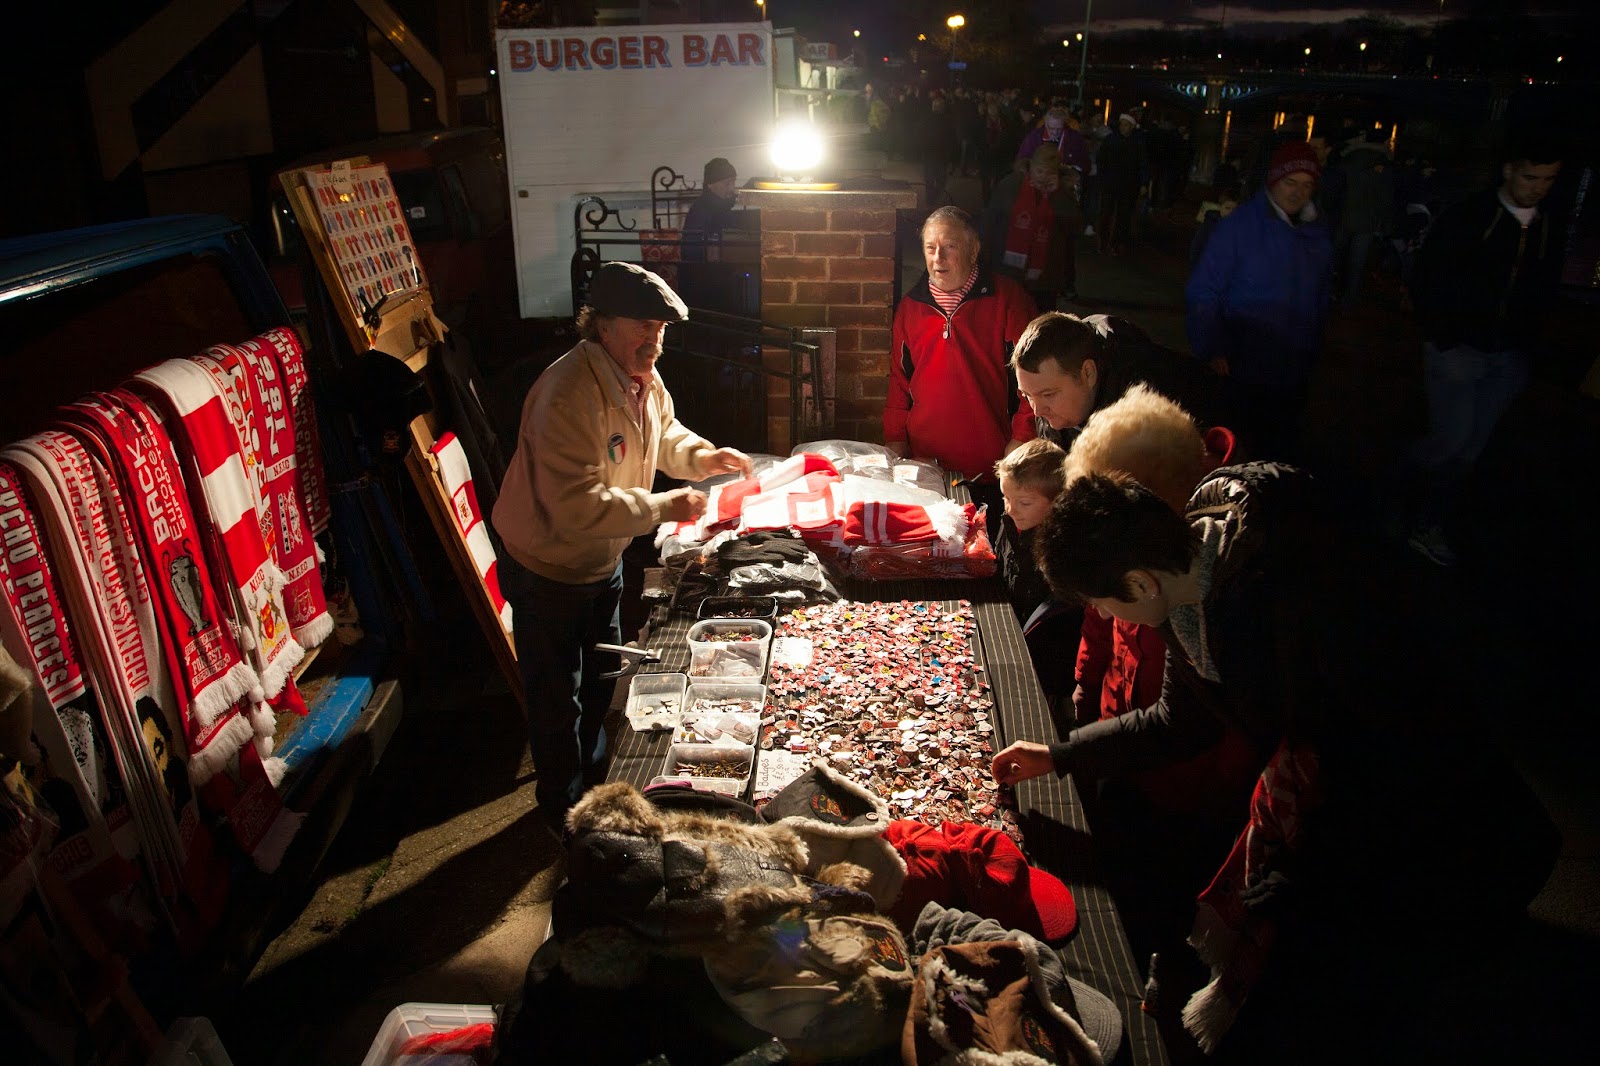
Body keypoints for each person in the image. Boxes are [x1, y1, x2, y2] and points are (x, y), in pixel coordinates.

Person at [989, 461, 1557, 1061]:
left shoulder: (1311, 603)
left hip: (1442, 822)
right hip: (1346, 795)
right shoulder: (1189, 590)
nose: (1105, 618)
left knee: (1430, 996)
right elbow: (1177, 721)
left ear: (1139, 583)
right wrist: (1059, 755)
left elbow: (1394, 754)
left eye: (1103, 602)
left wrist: (1302, 865)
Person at [492, 262, 752, 827]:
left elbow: (664, 434)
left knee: (600, 683)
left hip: (600, 562)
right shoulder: (567, 393)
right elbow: (577, 504)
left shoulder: (641, 377)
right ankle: (562, 812)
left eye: (660, 328)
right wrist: (665, 507)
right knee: (558, 700)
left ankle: (595, 794)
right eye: (642, 326)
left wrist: (704, 457)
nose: (654, 340)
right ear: (602, 325)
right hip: (548, 568)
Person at [1397, 136, 1564, 567]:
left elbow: (1546, 288)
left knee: (1471, 448)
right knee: (1451, 440)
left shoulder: (1547, 225)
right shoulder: (1470, 216)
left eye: (1548, 179)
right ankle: (1405, 495)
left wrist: (1529, 344)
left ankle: (1429, 518)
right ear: (1509, 170)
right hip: (1459, 351)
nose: (1538, 188)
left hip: (1508, 356)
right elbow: (1428, 274)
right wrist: (1443, 335)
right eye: (1531, 177)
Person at [1185, 141, 1332, 458]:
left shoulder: (1317, 234)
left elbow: (1320, 297)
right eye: (1290, 182)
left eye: (1306, 185)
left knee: (1279, 445)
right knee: (1239, 444)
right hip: (1242, 362)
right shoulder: (1240, 228)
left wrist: (1314, 346)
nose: (1297, 192)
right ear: (1274, 181)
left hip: (1293, 365)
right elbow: (1204, 290)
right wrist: (1211, 345)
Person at [884, 206, 1037, 500]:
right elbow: (899, 381)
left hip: (993, 465)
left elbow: (1035, 376)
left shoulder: (1008, 300)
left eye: (949, 247)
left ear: (973, 249)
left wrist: (1023, 436)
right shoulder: (910, 307)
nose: (937, 258)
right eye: (930, 248)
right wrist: (895, 438)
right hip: (925, 465)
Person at [1011, 311, 1241, 449]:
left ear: (1088, 373)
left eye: (1048, 394)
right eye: (1027, 395)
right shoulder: (1057, 406)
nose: (1037, 410)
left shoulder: (1152, 409)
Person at [983, 147, 1083, 309]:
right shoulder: (1011, 185)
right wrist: (984, 259)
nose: (1043, 177)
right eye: (1039, 171)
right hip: (1008, 270)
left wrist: (1058, 195)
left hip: (1046, 275)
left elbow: (1073, 228)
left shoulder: (1063, 192)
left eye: (1049, 173)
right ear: (1030, 167)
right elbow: (990, 222)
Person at [992, 437, 1066, 627]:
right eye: (1006, 498)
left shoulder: (1057, 550)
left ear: (1057, 501)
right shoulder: (1009, 521)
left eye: (1024, 503)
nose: (1011, 509)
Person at [1331, 130, 1396, 310]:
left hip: (1344, 215)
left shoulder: (1349, 157)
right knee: (1357, 264)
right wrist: (1386, 224)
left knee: (1334, 258)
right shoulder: (1384, 163)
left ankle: (1325, 293)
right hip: (1367, 220)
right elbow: (1385, 197)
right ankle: (1348, 301)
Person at [1094, 113, 1146, 256]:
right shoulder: (1111, 140)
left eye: (1127, 125)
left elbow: (1142, 163)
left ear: (1132, 127)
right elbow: (1101, 160)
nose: (1123, 127)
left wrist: (1143, 182)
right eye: (1122, 124)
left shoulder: (1137, 143)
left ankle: (1116, 243)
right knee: (1106, 213)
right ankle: (1103, 242)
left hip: (1128, 184)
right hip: (1110, 183)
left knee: (1123, 215)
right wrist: (1102, 177)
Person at [1013, 106, 1090, 182]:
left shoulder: (1075, 138)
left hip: (1064, 182)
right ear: (1045, 123)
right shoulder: (1034, 137)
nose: (1055, 132)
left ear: (1064, 124)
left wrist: (1068, 171)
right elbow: (1022, 161)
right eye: (1051, 128)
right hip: (1038, 181)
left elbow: (1084, 165)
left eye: (1059, 129)